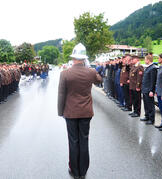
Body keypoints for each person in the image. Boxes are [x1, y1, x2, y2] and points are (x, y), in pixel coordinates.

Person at [58, 43, 102, 178]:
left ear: (73, 58)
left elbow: (61, 94)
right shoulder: (91, 72)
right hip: (86, 112)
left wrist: (61, 112)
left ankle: (74, 170)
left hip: (70, 112)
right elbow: (99, 81)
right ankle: (83, 171)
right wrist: (90, 69)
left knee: (73, 141)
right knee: (84, 140)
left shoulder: (65, 73)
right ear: (84, 59)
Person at [140, 55, 157, 125]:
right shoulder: (148, 67)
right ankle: (147, 116)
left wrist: (151, 91)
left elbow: (153, 81)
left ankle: (151, 119)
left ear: (149, 60)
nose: (144, 61)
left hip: (149, 90)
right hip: (145, 89)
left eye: (145, 59)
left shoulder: (153, 68)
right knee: (146, 104)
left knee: (150, 105)